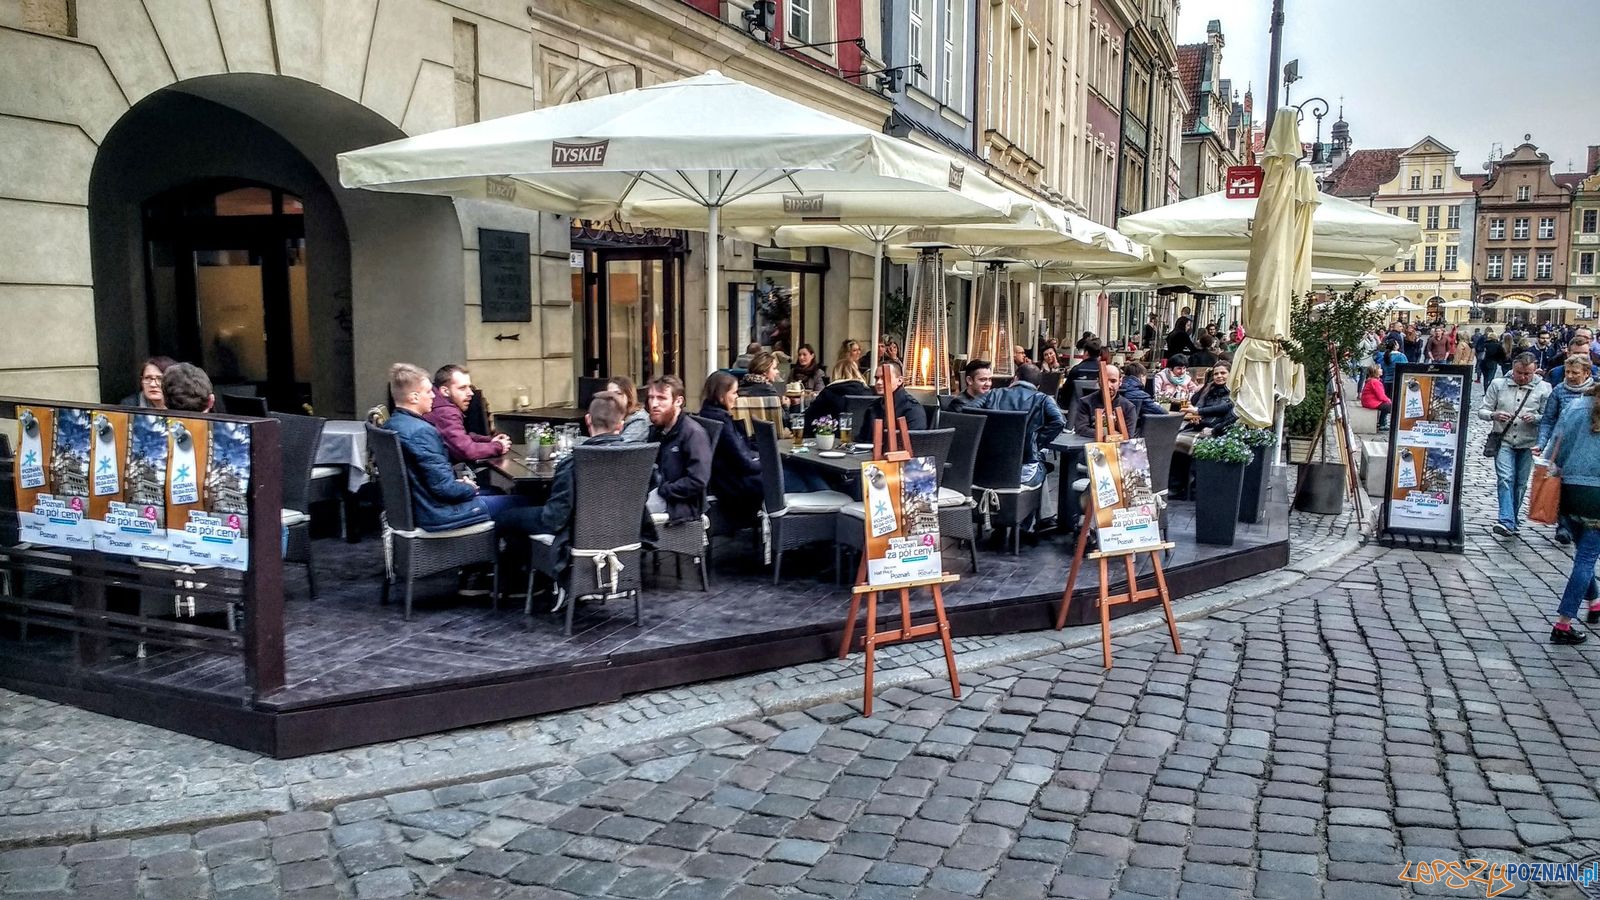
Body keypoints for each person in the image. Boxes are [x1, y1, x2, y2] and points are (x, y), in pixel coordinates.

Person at [383, 363, 535, 539]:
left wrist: (461, 484)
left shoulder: (393, 424)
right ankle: (511, 556)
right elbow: (445, 489)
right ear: (414, 397)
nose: (433, 395)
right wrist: (468, 487)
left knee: (499, 493)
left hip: (419, 509)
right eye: (428, 391)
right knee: (525, 502)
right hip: (439, 513)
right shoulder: (421, 432)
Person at [1546, 388, 1600, 643]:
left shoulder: (1576, 406)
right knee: (1586, 559)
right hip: (1597, 494)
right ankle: (1563, 624)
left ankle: (1595, 602)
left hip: (1569, 489)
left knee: (1583, 554)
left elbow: (1556, 445)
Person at [1479, 353, 1552, 537]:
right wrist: (1494, 415)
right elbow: (1483, 410)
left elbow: (1548, 417)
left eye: (1528, 374)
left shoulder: (1544, 388)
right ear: (1513, 368)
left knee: (1520, 484)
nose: (1523, 377)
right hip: (1503, 439)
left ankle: (1513, 517)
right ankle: (1506, 520)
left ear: (1535, 371)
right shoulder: (1498, 384)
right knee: (1505, 478)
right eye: (1519, 372)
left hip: (1528, 442)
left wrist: (1535, 418)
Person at [972, 363, 1066, 489]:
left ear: (1015, 378)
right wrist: (1036, 442)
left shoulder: (992, 394)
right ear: (1038, 386)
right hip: (1023, 471)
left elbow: (968, 412)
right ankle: (1033, 501)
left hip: (985, 469)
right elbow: (1060, 421)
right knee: (1042, 468)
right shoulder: (1043, 399)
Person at [1536, 353, 1593, 546]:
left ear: (1586, 373)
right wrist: (1542, 444)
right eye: (1567, 372)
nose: (1570, 376)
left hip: (1585, 446)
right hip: (1562, 444)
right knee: (1560, 485)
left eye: (1575, 372)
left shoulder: (1595, 393)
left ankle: (1578, 523)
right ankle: (1564, 525)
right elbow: (1548, 419)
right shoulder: (1559, 390)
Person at [697, 371, 765, 526]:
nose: (737, 397)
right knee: (786, 478)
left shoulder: (706, 413)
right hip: (734, 484)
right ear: (722, 395)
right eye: (734, 393)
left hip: (722, 479)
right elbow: (744, 463)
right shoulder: (722, 421)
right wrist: (768, 464)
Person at [644, 376, 711, 525]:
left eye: (661, 398)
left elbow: (697, 481)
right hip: (656, 495)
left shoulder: (693, 434)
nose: (654, 404)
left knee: (628, 516)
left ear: (678, 401)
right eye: (651, 398)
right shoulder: (657, 431)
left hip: (678, 506)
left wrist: (664, 490)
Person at [425, 365, 511, 465]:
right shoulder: (445, 412)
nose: (470, 393)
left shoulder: (439, 405)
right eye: (462, 388)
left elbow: (459, 437)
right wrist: (499, 446)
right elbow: (466, 451)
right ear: (445, 391)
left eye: (469, 387)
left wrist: (489, 440)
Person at [857, 358, 927, 443]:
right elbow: (861, 439)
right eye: (877, 378)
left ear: (900, 380)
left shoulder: (912, 409)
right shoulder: (874, 407)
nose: (878, 382)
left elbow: (916, 443)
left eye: (885, 378)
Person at [804, 359, 875, 436]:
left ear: (835, 373)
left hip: (837, 438)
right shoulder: (868, 392)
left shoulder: (829, 392)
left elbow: (809, 417)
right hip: (863, 438)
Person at [1071, 364, 1140, 438]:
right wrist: (1111, 434)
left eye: (1113, 381)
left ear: (1120, 382)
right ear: (1099, 381)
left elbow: (1128, 435)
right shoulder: (1085, 402)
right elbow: (1081, 429)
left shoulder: (1128, 407)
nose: (1108, 386)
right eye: (1104, 381)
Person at [605, 375, 651, 442]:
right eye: (609, 394)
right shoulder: (609, 416)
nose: (612, 398)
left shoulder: (640, 420)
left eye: (618, 393)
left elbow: (621, 446)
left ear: (629, 396)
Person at [1360, 364, 1393, 430]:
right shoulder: (1375, 382)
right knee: (1390, 406)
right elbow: (1381, 396)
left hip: (1368, 401)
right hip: (1371, 402)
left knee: (1386, 405)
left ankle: (1382, 422)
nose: (1381, 370)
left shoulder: (1372, 380)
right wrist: (1389, 400)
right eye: (1379, 369)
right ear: (1375, 371)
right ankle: (1382, 424)